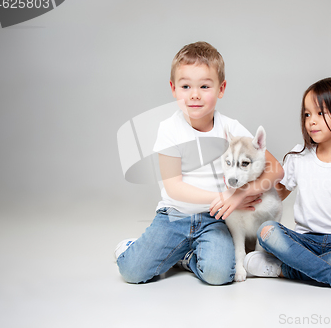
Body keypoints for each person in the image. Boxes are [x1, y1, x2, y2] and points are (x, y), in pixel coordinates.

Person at [114, 41, 284, 285]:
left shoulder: (230, 129)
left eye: (204, 86)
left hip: (214, 219)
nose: (194, 94)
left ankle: (185, 257)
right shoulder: (169, 130)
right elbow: (174, 187)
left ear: (221, 88)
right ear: (173, 89)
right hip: (174, 216)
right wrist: (225, 195)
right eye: (186, 86)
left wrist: (240, 195)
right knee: (133, 271)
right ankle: (133, 248)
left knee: (220, 275)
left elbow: (276, 169)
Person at [243, 77, 331, 294]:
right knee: (267, 230)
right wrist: (248, 194)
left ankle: (285, 268)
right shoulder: (300, 156)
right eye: (307, 114)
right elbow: (277, 194)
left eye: (320, 113)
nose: (311, 121)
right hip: (303, 240)